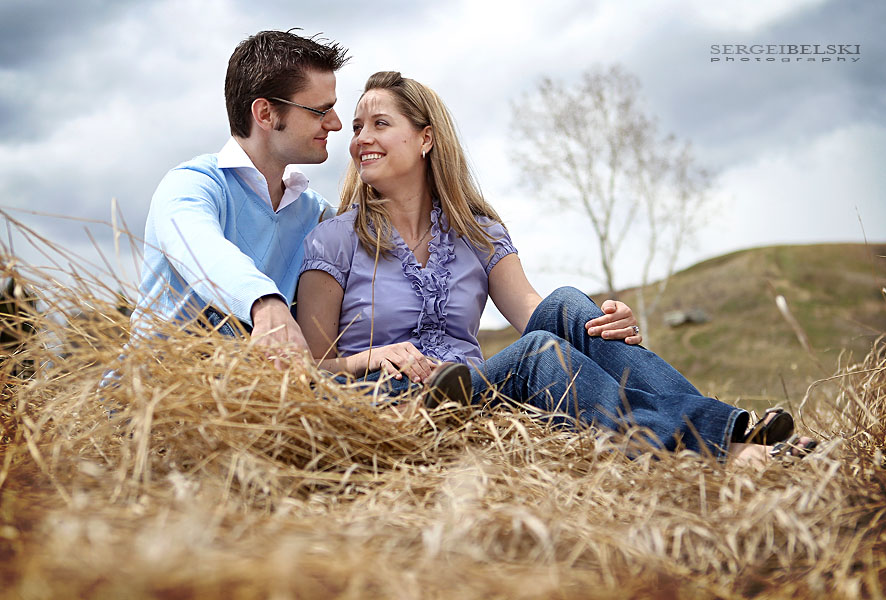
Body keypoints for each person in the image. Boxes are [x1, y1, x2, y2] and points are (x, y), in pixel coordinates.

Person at [296, 71, 816, 467]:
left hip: (476, 390)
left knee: (566, 304)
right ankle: (730, 440)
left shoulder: (477, 232)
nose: (359, 138)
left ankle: (735, 433)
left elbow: (533, 310)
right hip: (394, 404)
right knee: (540, 354)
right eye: (357, 127)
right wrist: (374, 355)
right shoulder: (334, 238)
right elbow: (310, 368)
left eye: (379, 124)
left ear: (426, 138)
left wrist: (605, 321)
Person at [130, 30, 349, 365]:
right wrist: (265, 302)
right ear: (265, 114)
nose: (336, 124)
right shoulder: (192, 186)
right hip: (152, 391)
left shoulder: (317, 215)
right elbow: (200, 248)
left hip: (249, 394)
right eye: (320, 111)